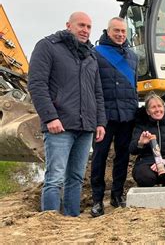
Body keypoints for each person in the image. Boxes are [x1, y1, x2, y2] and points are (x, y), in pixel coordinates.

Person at [28, 12, 106, 217]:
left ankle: (72, 219)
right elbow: (37, 85)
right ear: (68, 25)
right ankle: (50, 223)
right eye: (81, 25)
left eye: (89, 27)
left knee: (76, 177)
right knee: (55, 177)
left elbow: (97, 92)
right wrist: (50, 117)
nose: (85, 30)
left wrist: (100, 122)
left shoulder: (90, 55)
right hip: (59, 125)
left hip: (86, 127)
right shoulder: (47, 47)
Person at [89, 17, 139, 217]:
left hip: (127, 115)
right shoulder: (96, 54)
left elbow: (134, 87)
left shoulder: (133, 56)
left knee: (122, 157)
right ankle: (97, 200)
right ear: (108, 31)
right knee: (99, 158)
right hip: (105, 116)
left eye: (123, 31)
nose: (120, 35)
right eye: (116, 31)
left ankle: (117, 195)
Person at [129, 93, 165, 187]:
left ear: (164, 108)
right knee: (144, 176)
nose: (157, 110)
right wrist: (140, 143)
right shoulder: (141, 124)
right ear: (148, 111)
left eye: (159, 106)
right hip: (148, 164)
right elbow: (132, 150)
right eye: (153, 107)